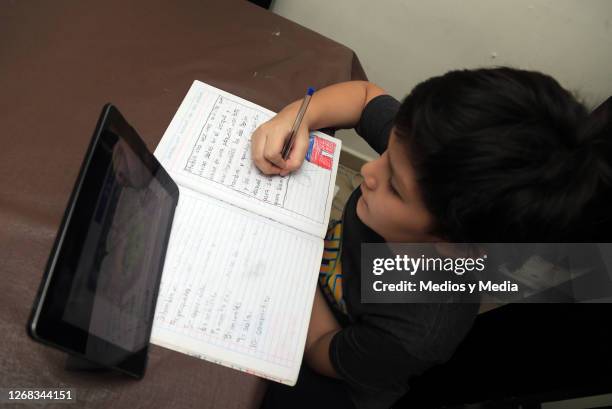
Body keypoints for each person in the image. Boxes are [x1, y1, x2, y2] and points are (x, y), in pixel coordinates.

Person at [251, 67, 612, 409]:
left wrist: (294, 261)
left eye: (394, 186)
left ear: (452, 245)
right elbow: (364, 97)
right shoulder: (425, 156)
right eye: (388, 151)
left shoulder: (419, 329)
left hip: (334, 373)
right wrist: (295, 117)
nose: (367, 170)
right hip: (313, 277)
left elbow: (319, 348)